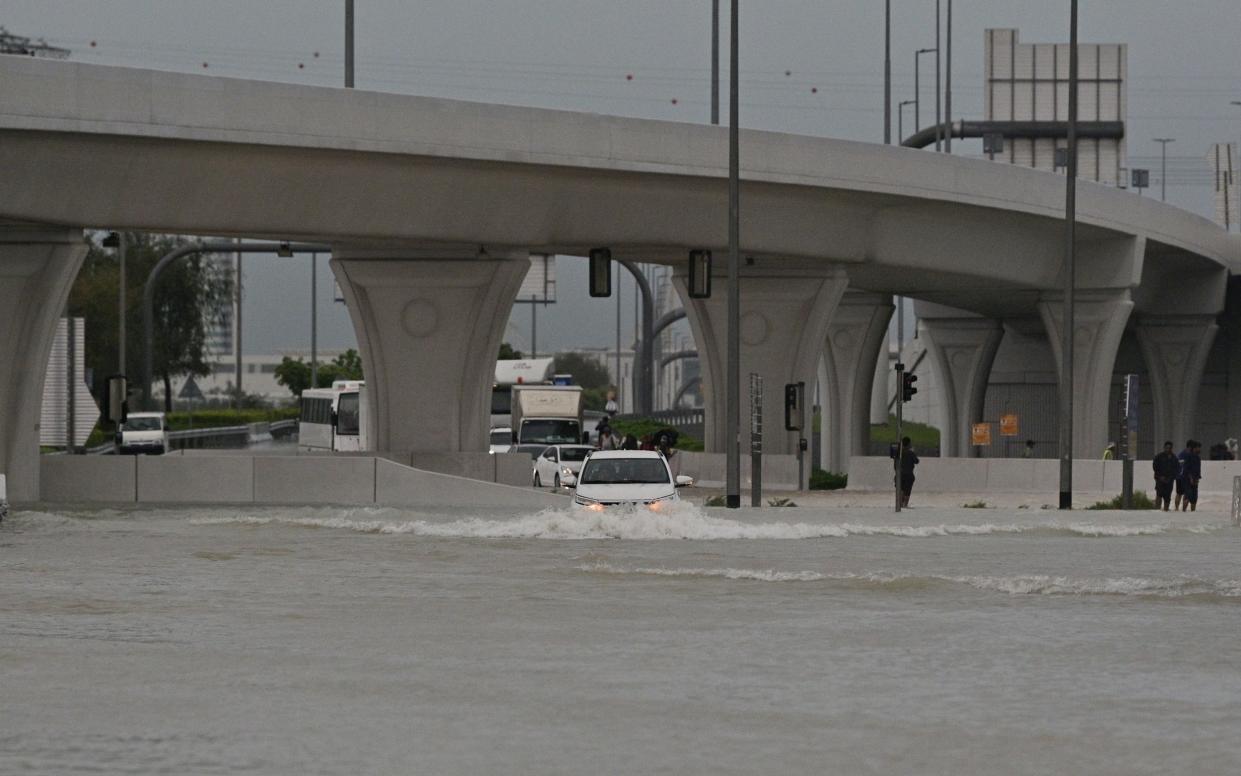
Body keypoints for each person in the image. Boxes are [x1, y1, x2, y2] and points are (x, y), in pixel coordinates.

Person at [892, 436, 919, 508]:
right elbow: (917, 461)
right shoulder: (911, 453)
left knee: (901, 489)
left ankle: (900, 504)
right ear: (909, 444)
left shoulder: (898, 453)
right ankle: (905, 504)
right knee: (907, 490)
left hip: (900, 474)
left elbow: (895, 464)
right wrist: (913, 452)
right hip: (909, 474)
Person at [1152, 441, 1179, 511]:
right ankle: (1157, 510)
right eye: (1167, 448)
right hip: (1160, 480)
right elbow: (1155, 467)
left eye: (1169, 448)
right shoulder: (1159, 457)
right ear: (1164, 448)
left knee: (1167, 497)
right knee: (1159, 495)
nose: (1168, 449)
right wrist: (1160, 476)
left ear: (1171, 448)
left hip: (1169, 481)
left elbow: (1176, 469)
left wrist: (1171, 477)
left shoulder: (1174, 458)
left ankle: (1166, 510)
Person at [1177, 440, 1202, 512]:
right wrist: (1190, 478)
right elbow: (1186, 469)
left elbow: (1198, 470)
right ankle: (1183, 511)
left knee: (1194, 498)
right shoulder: (1188, 456)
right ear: (1194, 448)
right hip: (1187, 479)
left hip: (1195, 480)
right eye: (1198, 448)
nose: (1199, 449)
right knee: (1187, 496)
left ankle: (1192, 513)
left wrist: (1197, 479)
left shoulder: (1197, 458)